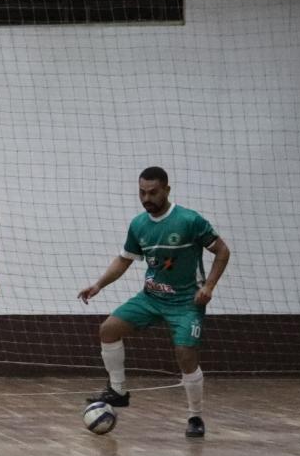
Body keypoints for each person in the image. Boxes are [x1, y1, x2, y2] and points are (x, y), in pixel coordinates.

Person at [79, 165, 231, 438]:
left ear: (167, 190)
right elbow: (124, 259)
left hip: (186, 302)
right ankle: (118, 391)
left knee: (185, 354)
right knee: (108, 329)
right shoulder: (139, 224)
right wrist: (98, 284)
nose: (146, 198)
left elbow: (222, 251)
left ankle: (195, 416)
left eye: (153, 192)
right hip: (151, 297)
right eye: (142, 192)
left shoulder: (189, 220)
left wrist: (209, 286)